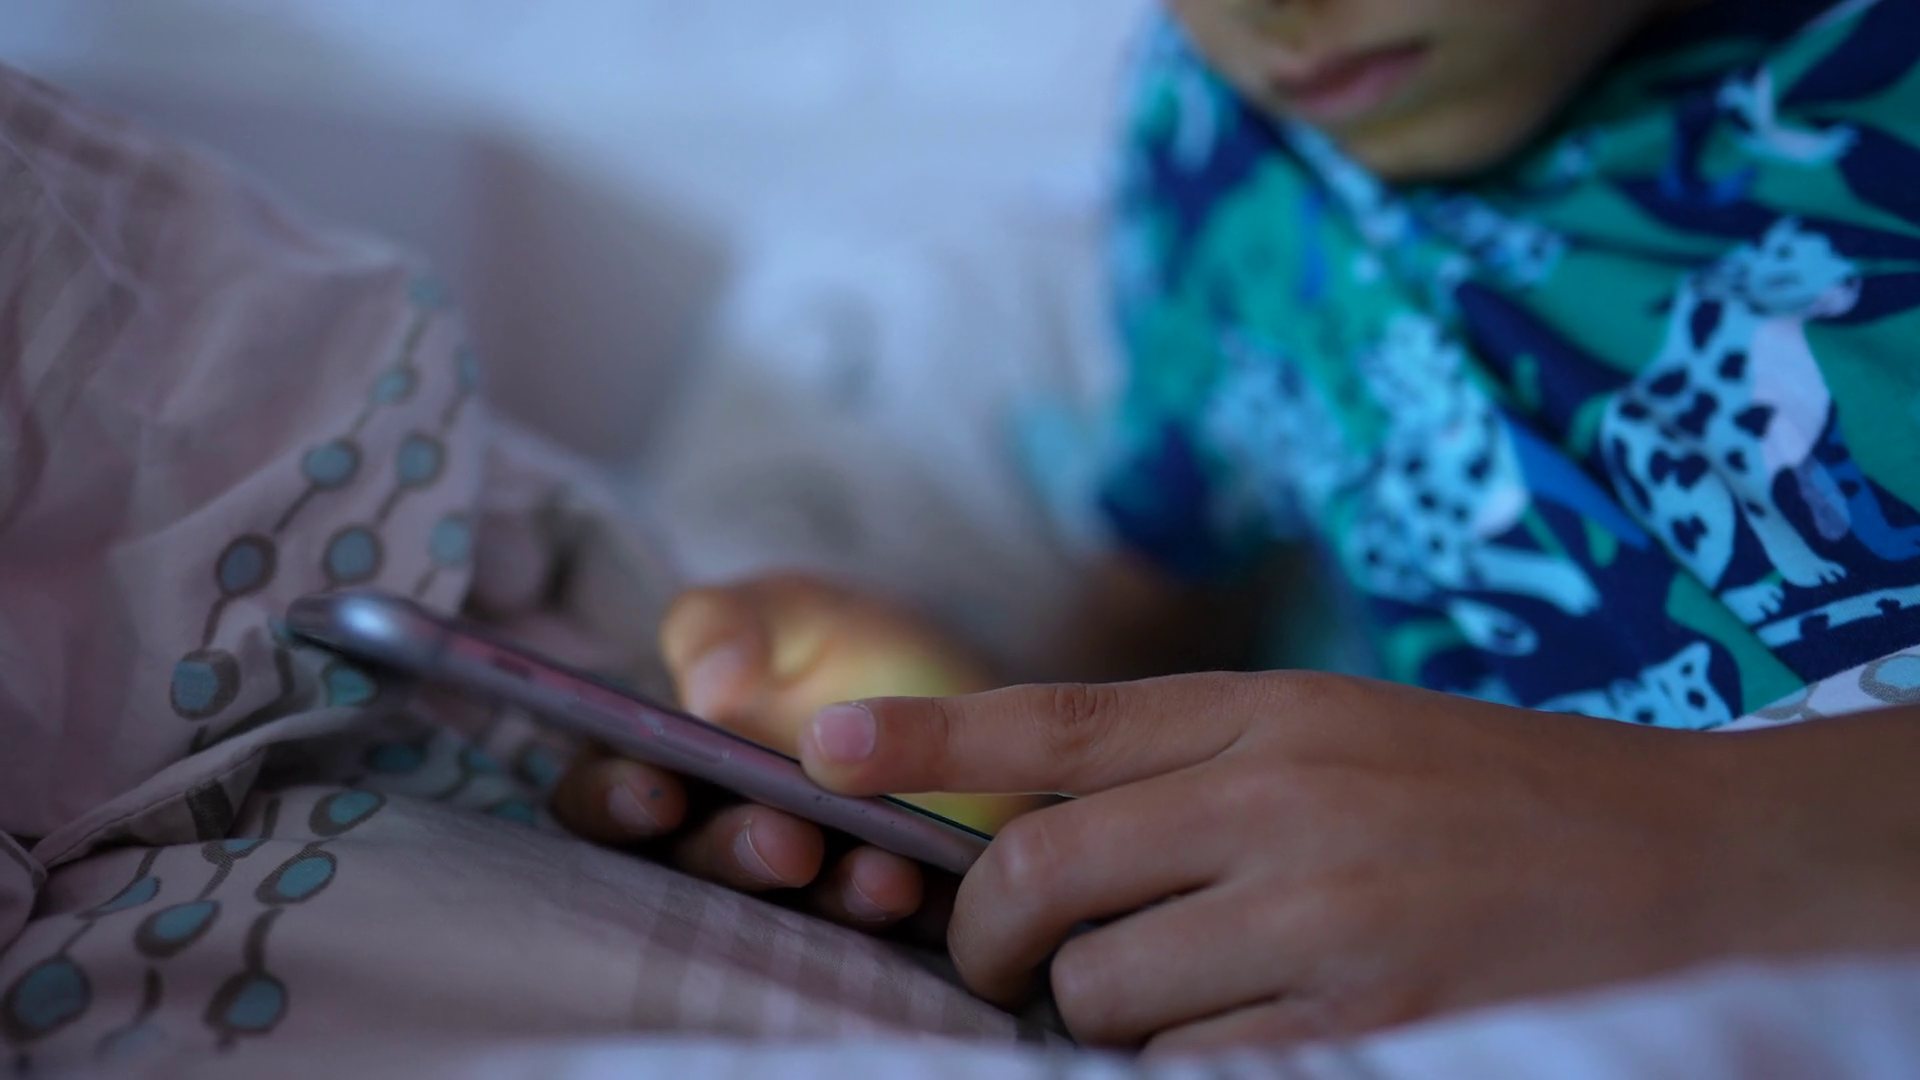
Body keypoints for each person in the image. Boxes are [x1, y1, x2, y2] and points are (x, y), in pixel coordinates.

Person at [552, 0, 1920, 1052]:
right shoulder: (1229, 141)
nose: (1264, 14)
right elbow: (1157, 627)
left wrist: (1722, 837)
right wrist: (950, 754)